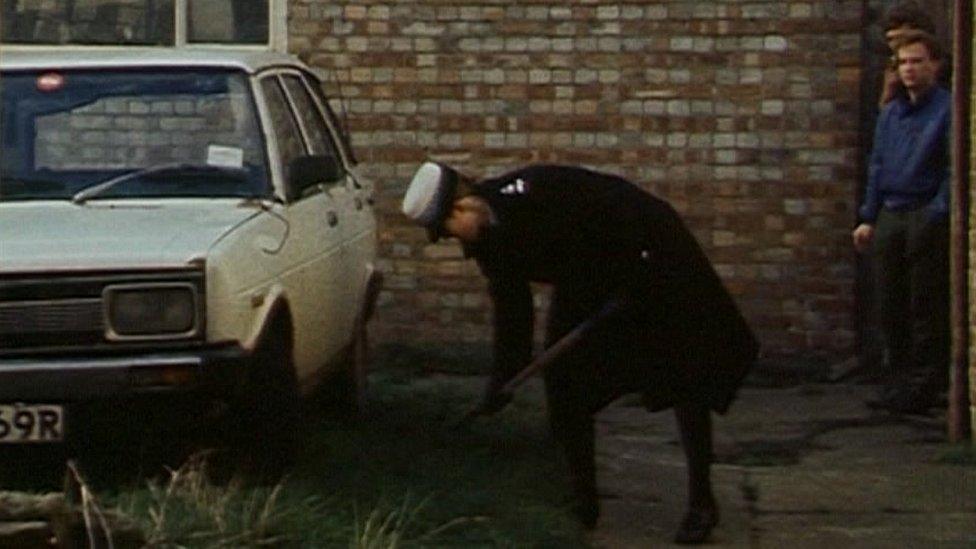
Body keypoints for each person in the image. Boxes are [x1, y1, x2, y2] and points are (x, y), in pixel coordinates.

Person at [401, 162, 759, 544]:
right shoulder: (489, 243)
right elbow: (513, 312)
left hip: (652, 254)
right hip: (589, 279)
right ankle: (581, 501)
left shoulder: (536, 193)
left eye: (445, 231)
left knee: (686, 374)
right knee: (565, 382)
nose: (452, 240)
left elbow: (621, 213)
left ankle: (701, 502)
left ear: (462, 207)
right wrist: (502, 381)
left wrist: (635, 276)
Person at [853, 30, 951, 414]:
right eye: (903, 62)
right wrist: (868, 215)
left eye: (917, 61)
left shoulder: (946, 109)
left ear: (935, 65)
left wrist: (937, 211)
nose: (910, 69)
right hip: (891, 212)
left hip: (925, 211)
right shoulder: (891, 113)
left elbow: (951, 167)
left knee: (923, 302)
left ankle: (926, 384)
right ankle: (896, 382)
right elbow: (877, 165)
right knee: (888, 301)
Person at [877, 2, 943, 107]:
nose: (896, 45)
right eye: (890, 40)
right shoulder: (884, 66)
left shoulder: (942, 65)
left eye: (901, 39)